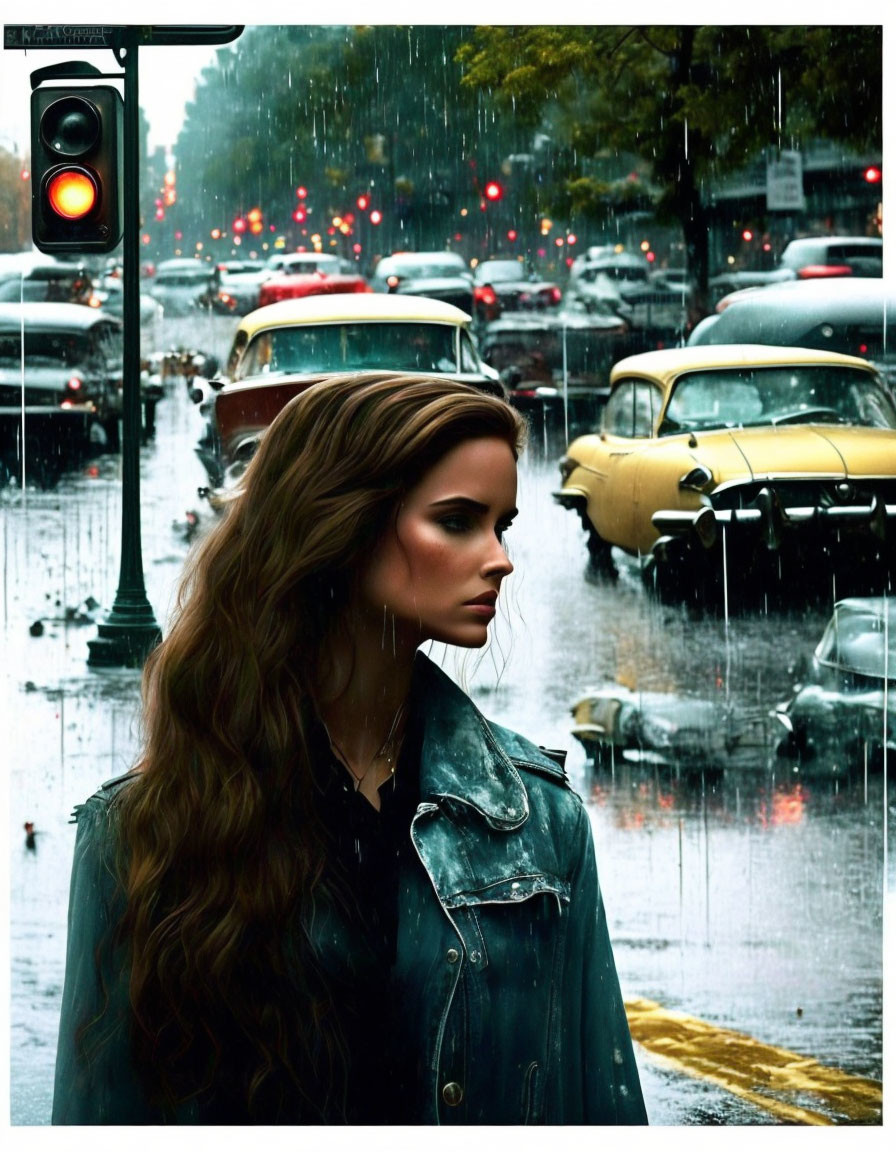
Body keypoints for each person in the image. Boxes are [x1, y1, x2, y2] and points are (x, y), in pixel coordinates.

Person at [52, 372, 647, 1126]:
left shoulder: (539, 825)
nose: (500, 559)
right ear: (344, 523)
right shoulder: (140, 832)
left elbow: (603, 1111)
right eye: (459, 521)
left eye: (502, 525)